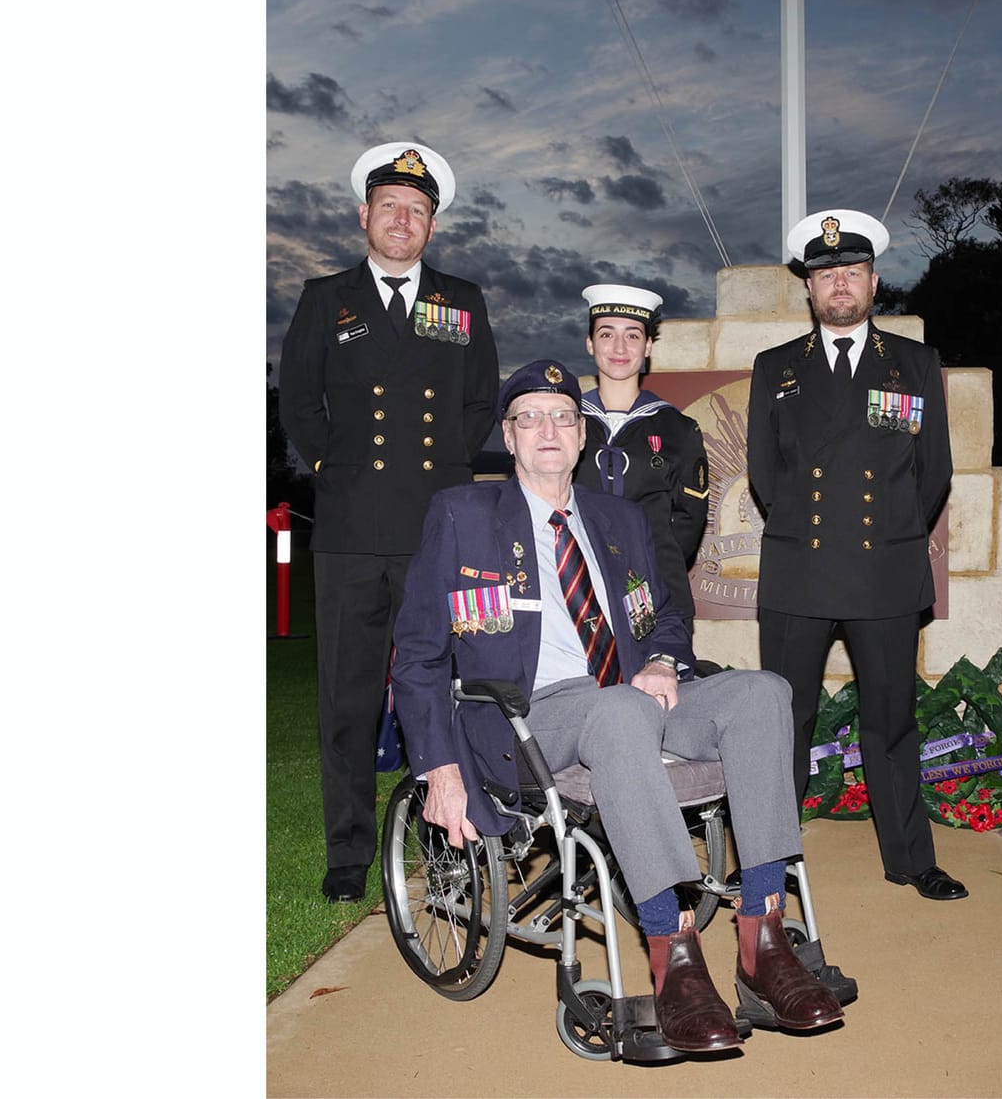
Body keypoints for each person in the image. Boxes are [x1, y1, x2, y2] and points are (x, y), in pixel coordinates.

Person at [392, 360, 845, 1052]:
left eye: (564, 417)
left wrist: (665, 658)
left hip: (638, 695)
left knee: (764, 691)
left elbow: (666, 614)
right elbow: (419, 651)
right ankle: (674, 950)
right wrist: (438, 767)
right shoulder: (461, 515)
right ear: (509, 438)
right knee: (619, 712)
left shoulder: (621, 518)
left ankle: (765, 938)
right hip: (533, 716)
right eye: (531, 418)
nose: (549, 430)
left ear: (582, 438)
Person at [278, 141, 500, 903]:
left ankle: (449, 846)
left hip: (438, 527)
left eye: (417, 210)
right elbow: (299, 401)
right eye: (389, 207)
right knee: (347, 696)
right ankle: (347, 854)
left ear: (432, 226)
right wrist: (336, 470)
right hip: (349, 529)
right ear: (363, 215)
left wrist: (438, 478)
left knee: (441, 691)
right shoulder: (326, 298)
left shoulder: (462, 302)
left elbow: (479, 404)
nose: (402, 220)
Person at [746, 209, 965, 901]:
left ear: (874, 280)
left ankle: (910, 858)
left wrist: (893, 533)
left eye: (851, 272)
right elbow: (763, 475)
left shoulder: (914, 363)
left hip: (884, 572)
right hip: (799, 571)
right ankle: (768, 860)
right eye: (825, 274)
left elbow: (934, 472)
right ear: (808, 289)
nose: (839, 284)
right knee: (785, 720)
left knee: (891, 721)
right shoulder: (776, 367)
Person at [573, 283, 710, 632]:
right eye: (607, 334)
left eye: (633, 336)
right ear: (590, 343)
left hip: (656, 593)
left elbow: (688, 523)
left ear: (648, 346)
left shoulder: (679, 429)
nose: (619, 347)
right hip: (575, 590)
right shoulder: (563, 420)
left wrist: (644, 566)